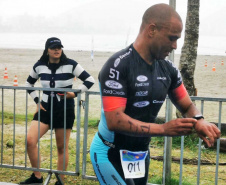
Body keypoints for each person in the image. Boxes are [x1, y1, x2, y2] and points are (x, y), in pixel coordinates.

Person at [90, 3, 221, 185]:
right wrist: (163, 129)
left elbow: (187, 105)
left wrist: (199, 120)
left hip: (140, 154)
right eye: (171, 38)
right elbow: (114, 120)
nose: (175, 46)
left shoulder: (168, 69)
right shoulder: (118, 65)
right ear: (152, 30)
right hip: (110, 152)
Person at [20, 37, 95, 185]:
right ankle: (37, 177)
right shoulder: (39, 65)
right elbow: (29, 83)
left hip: (65, 109)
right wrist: (37, 101)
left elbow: (90, 80)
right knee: (30, 140)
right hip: (45, 108)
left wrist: (75, 93)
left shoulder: (71, 64)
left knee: (61, 147)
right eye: (53, 47)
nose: (57, 50)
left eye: (59, 47)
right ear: (47, 50)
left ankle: (60, 180)